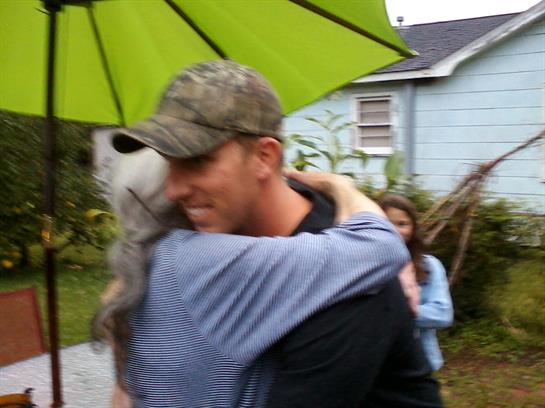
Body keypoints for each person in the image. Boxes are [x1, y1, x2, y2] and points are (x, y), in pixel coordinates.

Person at [109, 60, 443, 407]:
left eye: (196, 161)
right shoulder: (219, 255)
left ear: (265, 157)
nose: (172, 190)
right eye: (169, 162)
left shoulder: (350, 285)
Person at [380, 194, 454, 371]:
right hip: (377, 363)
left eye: (402, 224)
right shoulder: (365, 264)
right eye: (387, 223)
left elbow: (442, 314)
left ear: (413, 228)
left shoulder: (428, 266)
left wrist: (389, 314)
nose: (395, 230)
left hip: (419, 362)